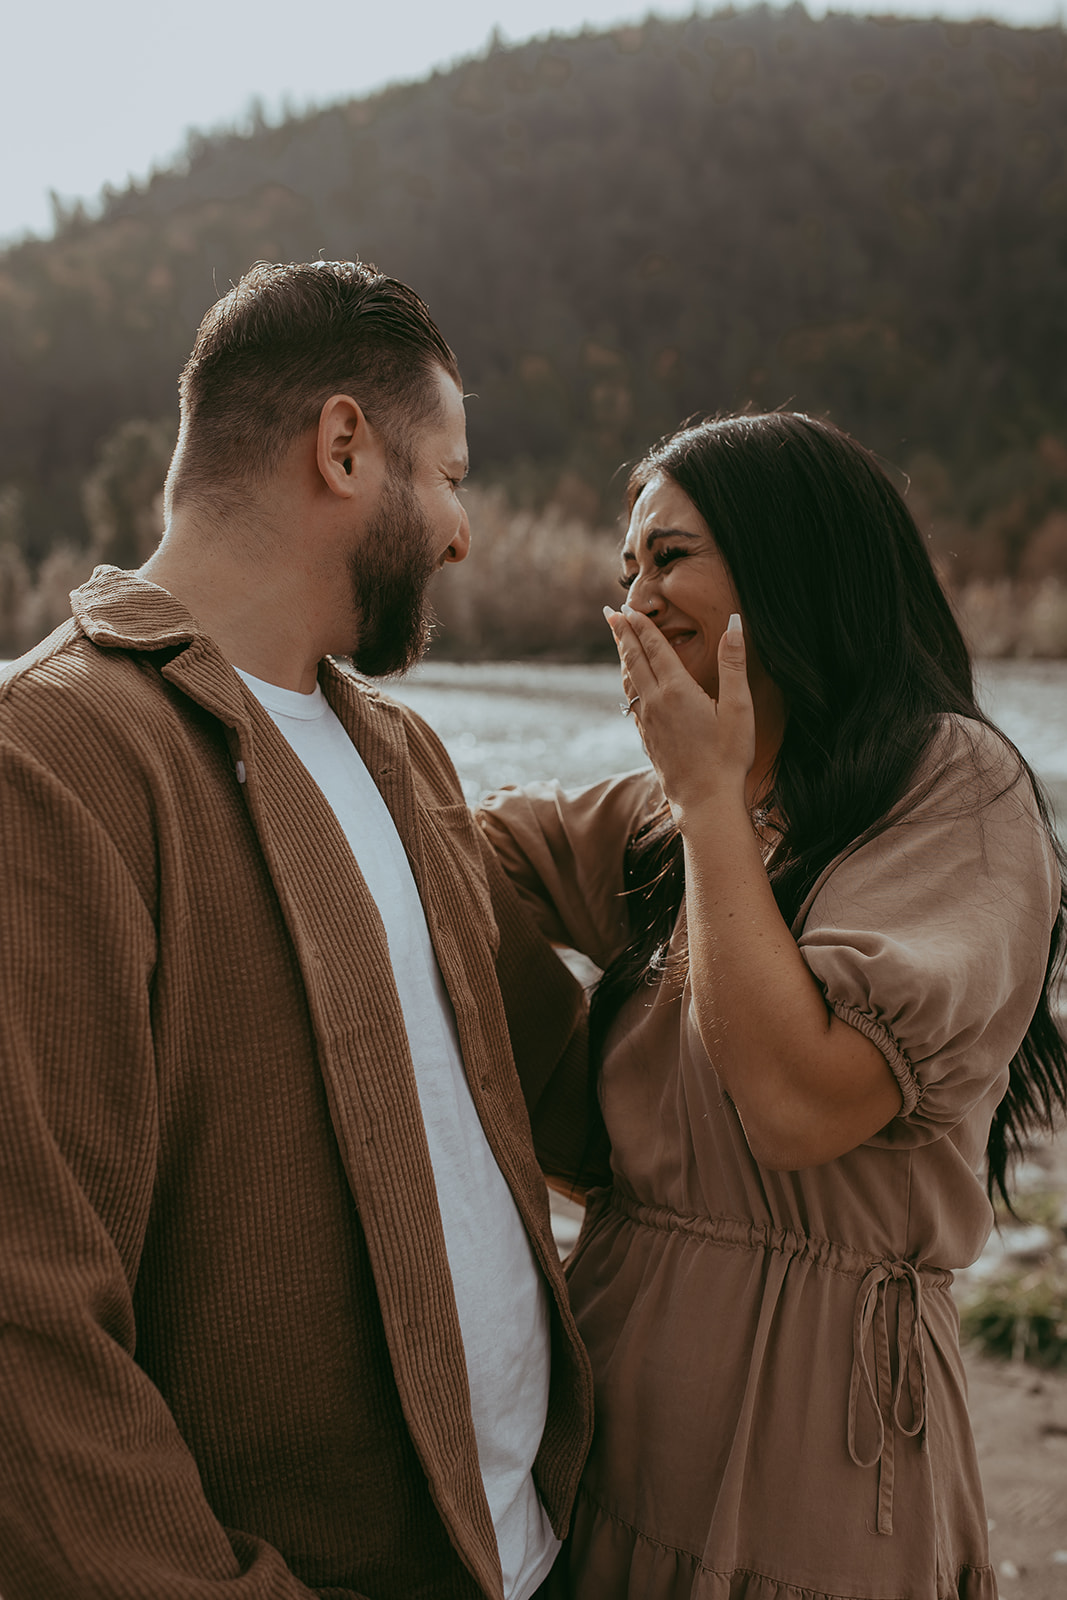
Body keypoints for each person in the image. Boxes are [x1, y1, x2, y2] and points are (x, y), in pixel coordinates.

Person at [0, 260, 594, 1600]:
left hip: (535, 1552)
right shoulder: (55, 758)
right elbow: (27, 1329)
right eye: (447, 474)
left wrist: (760, 837)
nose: (458, 532)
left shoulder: (404, 754)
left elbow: (567, 1084)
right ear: (343, 448)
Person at [478, 411, 1067, 1600]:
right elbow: (461, 854)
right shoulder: (686, 810)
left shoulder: (956, 787)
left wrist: (700, 797)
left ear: (791, 558)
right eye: (626, 563)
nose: (634, 592)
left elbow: (797, 1105)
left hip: (821, 1457)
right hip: (607, 1420)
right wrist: (566, 1114)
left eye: (672, 553)